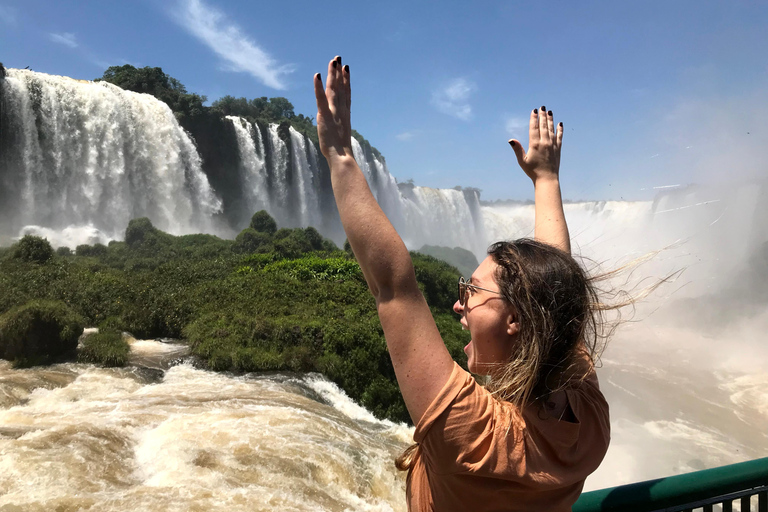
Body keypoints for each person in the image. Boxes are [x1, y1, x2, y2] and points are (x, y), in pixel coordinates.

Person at [314, 56, 610, 512]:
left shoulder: (478, 437)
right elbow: (557, 291)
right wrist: (546, 180)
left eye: (471, 291)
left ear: (514, 321)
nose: (458, 306)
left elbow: (394, 285)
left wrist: (339, 156)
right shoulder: (587, 419)